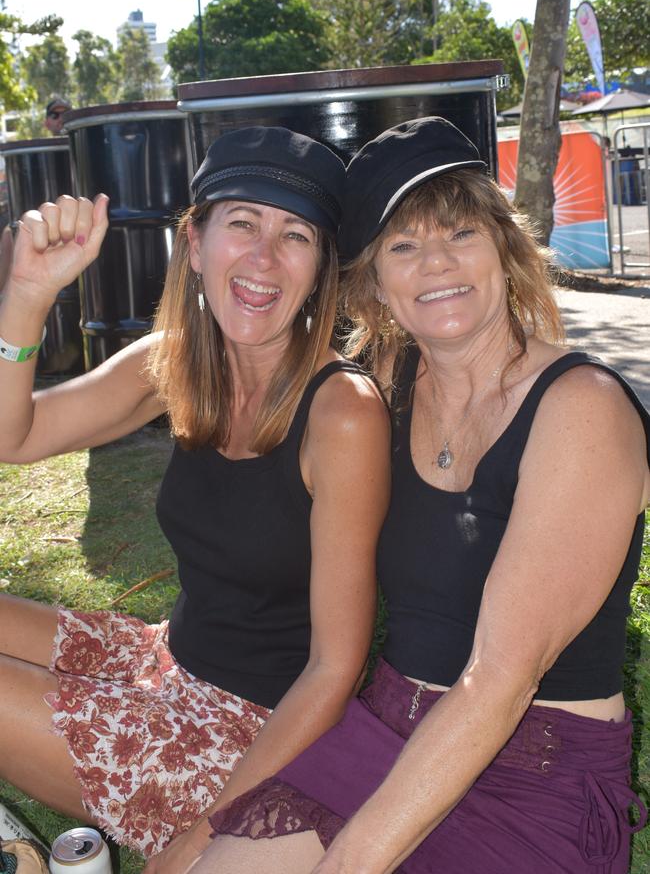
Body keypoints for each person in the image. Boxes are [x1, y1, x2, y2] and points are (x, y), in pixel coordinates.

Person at [199, 117, 650, 874]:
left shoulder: (582, 408)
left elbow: (499, 681)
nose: (436, 263)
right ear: (375, 282)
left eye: (461, 234)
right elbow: (252, 356)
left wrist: (349, 863)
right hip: (382, 727)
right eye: (403, 246)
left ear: (505, 249)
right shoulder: (385, 392)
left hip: (533, 762)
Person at [0, 126, 390, 863]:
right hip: (164, 659)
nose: (264, 258)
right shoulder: (175, 361)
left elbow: (335, 669)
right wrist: (28, 294)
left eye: (296, 235)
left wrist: (210, 831)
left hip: (255, 731)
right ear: (196, 239)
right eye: (242, 222)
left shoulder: (341, 411)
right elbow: (12, 436)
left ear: (320, 268)